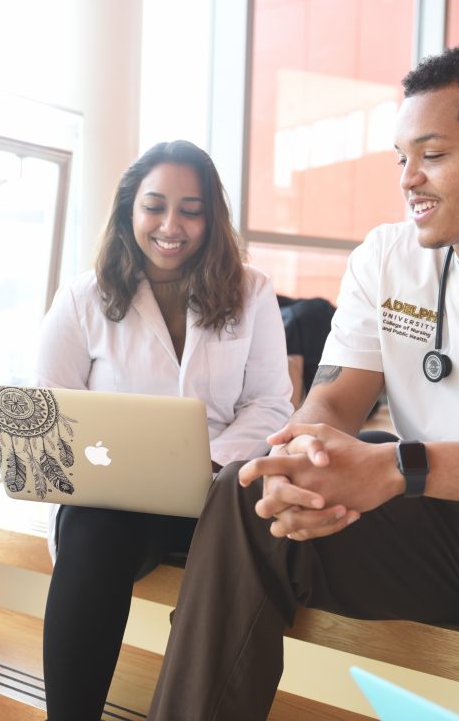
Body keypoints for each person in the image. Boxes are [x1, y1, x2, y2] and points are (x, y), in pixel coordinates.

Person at [147, 44, 459, 721]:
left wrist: (405, 466)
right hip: (434, 535)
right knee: (244, 491)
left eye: (434, 154)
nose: (408, 178)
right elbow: (333, 400)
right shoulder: (387, 258)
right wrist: (303, 455)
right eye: (401, 157)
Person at [34, 140, 293, 720]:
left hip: (217, 496)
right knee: (92, 526)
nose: (171, 225)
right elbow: (49, 415)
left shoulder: (251, 291)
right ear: (130, 209)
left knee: (244, 545)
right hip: (119, 504)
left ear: (211, 216)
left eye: (191, 209)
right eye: (155, 206)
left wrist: (206, 460)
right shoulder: (84, 297)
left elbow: (272, 403)